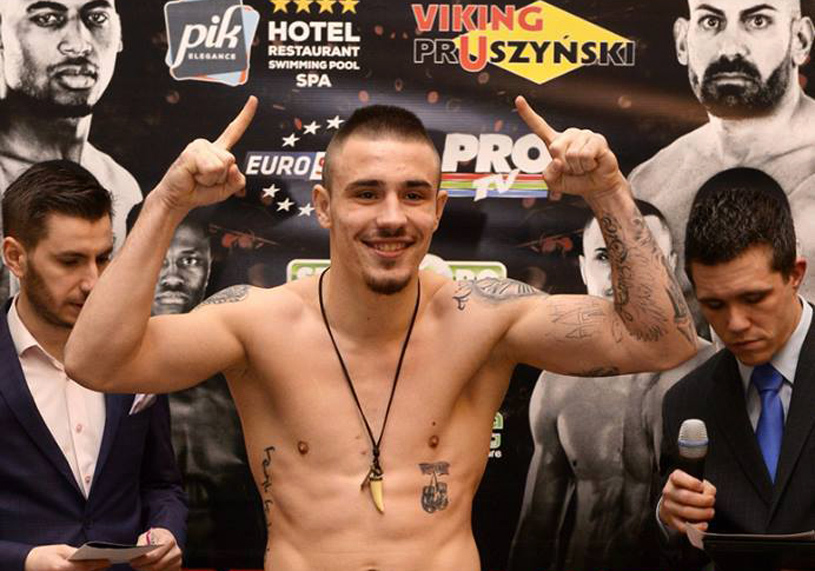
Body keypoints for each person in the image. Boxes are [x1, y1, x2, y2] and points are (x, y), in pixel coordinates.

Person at [64, 95, 698, 570]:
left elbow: (663, 342)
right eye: (366, 194)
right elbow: (95, 363)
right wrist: (168, 202)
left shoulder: (486, 317)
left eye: (414, 195)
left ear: (438, 209)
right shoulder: (256, 321)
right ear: (323, 206)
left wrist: (608, 191)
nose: (392, 217)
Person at [0, 161, 186, 571]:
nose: (93, 282)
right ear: (15, 257)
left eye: (103, 258)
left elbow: (161, 484)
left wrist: (166, 531)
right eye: (69, 261)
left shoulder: (136, 351)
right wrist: (24, 559)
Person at [509, 203, 714, 571]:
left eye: (642, 255)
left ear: (670, 264)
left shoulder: (711, 372)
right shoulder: (559, 380)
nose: (623, 273)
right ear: (584, 268)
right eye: (604, 256)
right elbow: (536, 531)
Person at [657, 168, 815, 570]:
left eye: (753, 298)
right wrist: (668, 518)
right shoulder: (686, 402)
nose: (736, 324)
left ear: (795, 275)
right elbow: (678, 553)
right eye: (714, 304)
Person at [628, 0, 815, 302]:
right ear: (682, 42)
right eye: (711, 22)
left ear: (800, 40)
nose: (730, 49)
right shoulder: (651, 183)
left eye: (758, 21)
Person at [128, 204, 267, 568]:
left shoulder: (245, 382)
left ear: (208, 266)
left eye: (188, 261)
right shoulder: (97, 380)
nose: (172, 277)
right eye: (159, 260)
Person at [0, 0, 142, 298]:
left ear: (120, 36)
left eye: (97, 17)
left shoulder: (121, 185)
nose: (79, 45)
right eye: (47, 18)